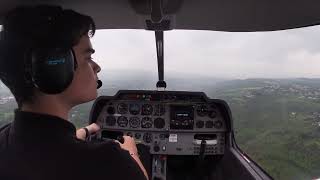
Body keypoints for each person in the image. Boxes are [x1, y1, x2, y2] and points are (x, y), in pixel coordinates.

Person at [0, 5, 148, 180]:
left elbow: (47, 147)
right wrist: (131, 153)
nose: (97, 67)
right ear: (54, 68)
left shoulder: (4, 139)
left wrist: (85, 131)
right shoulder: (109, 162)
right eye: (88, 57)